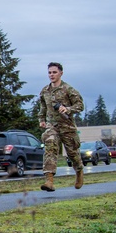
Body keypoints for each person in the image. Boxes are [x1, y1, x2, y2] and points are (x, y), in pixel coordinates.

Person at [37, 61, 84, 191]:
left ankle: (79, 171)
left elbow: (80, 106)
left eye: (54, 72)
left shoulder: (68, 89)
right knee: (50, 146)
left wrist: (67, 109)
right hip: (52, 126)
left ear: (61, 73)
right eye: (49, 72)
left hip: (67, 127)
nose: (51, 75)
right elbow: (43, 107)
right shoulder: (45, 91)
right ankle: (49, 180)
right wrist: (41, 119)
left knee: (73, 154)